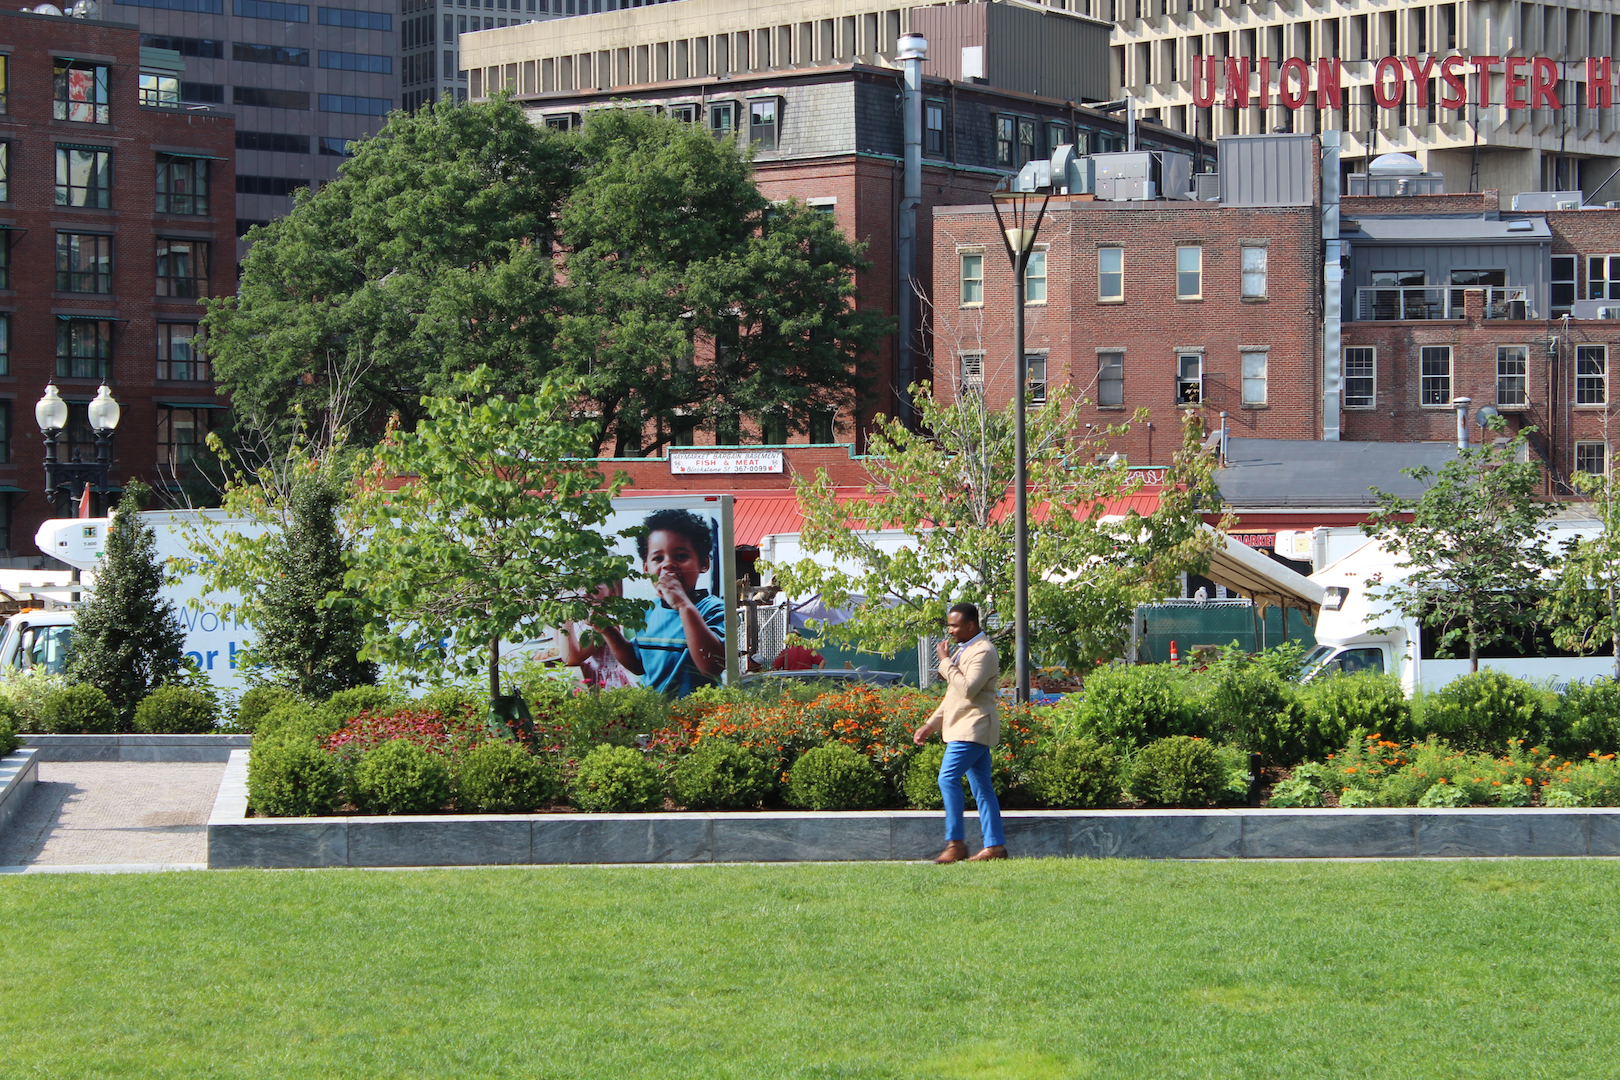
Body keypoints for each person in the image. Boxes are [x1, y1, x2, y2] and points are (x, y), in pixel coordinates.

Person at [595, 508, 726, 697]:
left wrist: (682, 605)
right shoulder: (647, 611)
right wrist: (607, 630)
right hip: (656, 716)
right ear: (646, 567)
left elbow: (711, 666)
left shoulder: (713, 609)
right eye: (658, 558)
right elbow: (638, 665)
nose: (668, 564)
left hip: (700, 715)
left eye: (681, 556)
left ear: (704, 564)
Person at [912, 602, 1006, 863]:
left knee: (947, 778)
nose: (950, 630)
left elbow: (967, 689)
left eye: (954, 625)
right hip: (965, 727)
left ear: (971, 625)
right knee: (982, 788)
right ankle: (995, 848)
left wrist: (944, 662)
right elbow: (953, 696)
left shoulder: (983, 651)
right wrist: (930, 725)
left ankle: (956, 844)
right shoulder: (964, 651)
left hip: (973, 727)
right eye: (949, 625)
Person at [560, 581, 638, 690]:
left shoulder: (604, 621)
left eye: (598, 582)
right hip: (588, 677)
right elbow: (560, 645)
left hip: (606, 685)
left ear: (613, 592)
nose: (587, 588)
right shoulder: (586, 617)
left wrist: (565, 618)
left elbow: (571, 659)